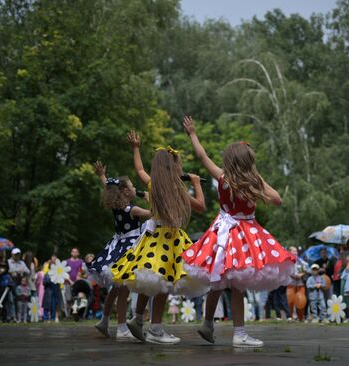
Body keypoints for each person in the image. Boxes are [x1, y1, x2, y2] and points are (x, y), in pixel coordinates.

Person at [180, 116, 295, 348]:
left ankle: (208, 323)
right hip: (245, 236)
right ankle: (239, 333)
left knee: (217, 280)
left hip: (221, 233)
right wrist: (259, 179)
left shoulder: (222, 177)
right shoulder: (253, 182)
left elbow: (202, 157)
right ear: (248, 162)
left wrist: (192, 133)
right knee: (239, 284)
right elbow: (278, 200)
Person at [111, 129, 206, 345]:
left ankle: (137, 319)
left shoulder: (153, 184)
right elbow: (200, 206)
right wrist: (197, 183)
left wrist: (136, 148)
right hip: (169, 240)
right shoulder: (177, 188)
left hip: (152, 238)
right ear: (174, 167)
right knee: (163, 284)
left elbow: (139, 169)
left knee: (150, 280)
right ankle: (155, 329)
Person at [91, 161, 151, 341]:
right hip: (130, 247)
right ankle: (122, 328)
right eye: (133, 186)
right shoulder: (133, 209)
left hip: (117, 245)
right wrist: (150, 198)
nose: (135, 188)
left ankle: (104, 320)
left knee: (116, 288)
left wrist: (102, 175)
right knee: (123, 288)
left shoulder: (117, 206)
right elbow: (154, 214)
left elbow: (108, 186)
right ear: (126, 192)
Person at [286, 246, 308, 321]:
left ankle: (301, 317)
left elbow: (306, 268)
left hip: (300, 283)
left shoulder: (300, 261)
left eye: (296, 251)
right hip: (291, 283)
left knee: (300, 300)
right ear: (289, 252)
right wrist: (293, 276)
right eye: (293, 251)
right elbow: (286, 270)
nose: (295, 252)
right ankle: (291, 316)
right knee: (290, 301)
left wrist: (301, 275)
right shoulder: (287, 261)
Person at [43, 254, 62, 323]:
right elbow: (44, 283)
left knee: (54, 305)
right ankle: (46, 318)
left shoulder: (58, 273)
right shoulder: (47, 274)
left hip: (55, 291)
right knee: (47, 305)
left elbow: (60, 282)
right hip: (48, 291)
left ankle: (53, 317)